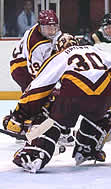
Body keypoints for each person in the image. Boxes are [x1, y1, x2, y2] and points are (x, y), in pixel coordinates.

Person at [4, 34, 111, 172]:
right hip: (103, 97)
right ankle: (87, 147)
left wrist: (19, 116)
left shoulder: (59, 56)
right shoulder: (94, 50)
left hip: (74, 96)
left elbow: (38, 88)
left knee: (49, 112)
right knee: (108, 111)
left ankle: (35, 153)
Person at [6, 10, 72, 146]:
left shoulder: (51, 32)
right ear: (40, 26)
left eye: (55, 26)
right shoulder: (35, 43)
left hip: (40, 62)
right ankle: (24, 123)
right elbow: (37, 77)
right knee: (38, 96)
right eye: (48, 27)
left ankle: (29, 123)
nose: (52, 30)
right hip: (21, 68)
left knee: (44, 97)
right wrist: (52, 89)